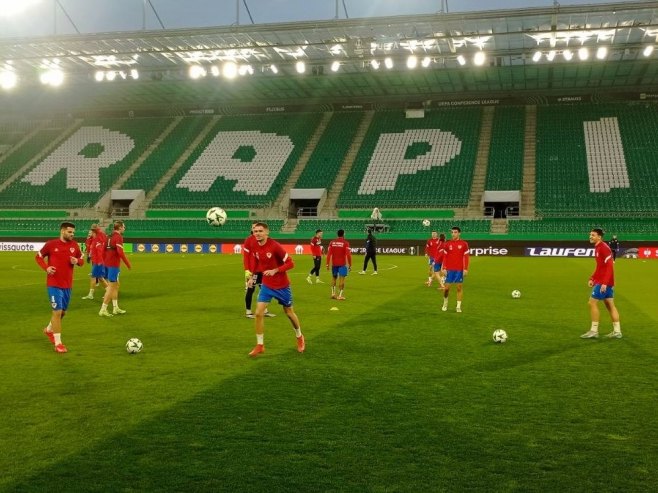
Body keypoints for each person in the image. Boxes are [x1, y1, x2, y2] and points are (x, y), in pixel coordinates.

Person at [246, 222, 305, 357]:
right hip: (267, 285)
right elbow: (257, 263)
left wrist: (275, 270)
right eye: (255, 231)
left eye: (260, 231)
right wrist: (252, 277)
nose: (257, 234)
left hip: (282, 285)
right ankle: (260, 345)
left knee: (289, 313)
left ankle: (299, 336)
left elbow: (291, 263)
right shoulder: (254, 245)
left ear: (267, 232)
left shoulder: (275, 246)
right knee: (259, 313)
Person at [35, 222, 85, 353]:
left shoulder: (74, 245)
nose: (72, 235)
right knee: (57, 312)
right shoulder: (51, 244)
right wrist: (46, 268)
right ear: (63, 231)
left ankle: (49, 329)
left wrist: (77, 261)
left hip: (67, 285)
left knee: (63, 313)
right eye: (70, 232)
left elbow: (81, 259)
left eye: (73, 232)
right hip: (54, 284)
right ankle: (58, 343)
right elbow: (38, 257)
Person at [581, 228, 622, 339]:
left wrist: (604, 283)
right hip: (606, 281)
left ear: (599, 237)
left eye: (593, 235)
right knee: (610, 305)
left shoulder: (603, 248)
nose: (590, 236)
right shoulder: (598, 247)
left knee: (592, 303)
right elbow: (600, 267)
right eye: (590, 234)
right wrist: (592, 278)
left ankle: (594, 331)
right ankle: (617, 331)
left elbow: (609, 266)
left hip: (605, 282)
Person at [242, 223, 276, 318]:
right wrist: (247, 270)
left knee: (265, 290)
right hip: (253, 270)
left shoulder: (262, 240)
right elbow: (246, 256)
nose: (255, 230)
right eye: (253, 228)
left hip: (263, 269)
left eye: (257, 229)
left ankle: (264, 310)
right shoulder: (249, 240)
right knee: (250, 289)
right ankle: (248, 312)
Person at [99, 220, 131, 317]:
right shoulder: (118, 237)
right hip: (113, 265)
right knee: (112, 287)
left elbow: (102, 251)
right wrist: (128, 264)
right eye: (124, 227)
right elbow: (120, 252)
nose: (124, 228)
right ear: (120, 227)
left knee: (116, 285)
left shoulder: (108, 237)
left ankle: (115, 307)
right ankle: (103, 309)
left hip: (107, 265)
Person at [439, 226, 470, 313]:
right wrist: (444, 268)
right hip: (449, 269)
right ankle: (445, 303)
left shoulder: (464, 244)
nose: (453, 234)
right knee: (447, 288)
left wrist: (466, 269)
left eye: (455, 232)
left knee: (459, 288)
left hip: (459, 269)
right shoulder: (447, 244)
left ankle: (458, 306)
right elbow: (444, 257)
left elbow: (466, 257)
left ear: (459, 233)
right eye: (452, 232)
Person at [82, 224, 108, 300]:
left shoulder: (98, 239)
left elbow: (99, 251)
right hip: (96, 261)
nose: (90, 234)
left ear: (94, 232)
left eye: (92, 232)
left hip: (98, 262)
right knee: (98, 277)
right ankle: (92, 294)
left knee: (97, 277)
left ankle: (108, 291)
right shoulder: (96, 239)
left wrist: (99, 261)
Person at [326, 229, 352, 300]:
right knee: (342, 279)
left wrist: (327, 264)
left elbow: (328, 254)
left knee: (334, 278)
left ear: (337, 234)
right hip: (342, 264)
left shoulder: (332, 242)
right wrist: (350, 265)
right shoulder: (346, 243)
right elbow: (348, 255)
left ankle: (333, 294)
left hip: (334, 264)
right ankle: (340, 296)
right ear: (343, 234)